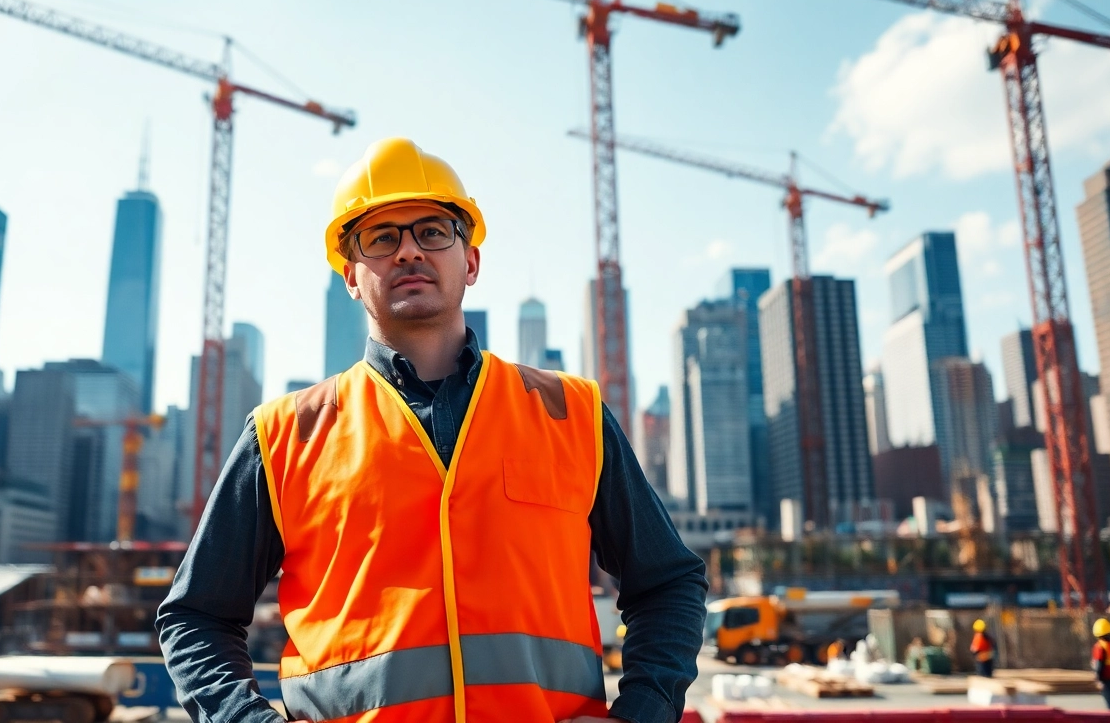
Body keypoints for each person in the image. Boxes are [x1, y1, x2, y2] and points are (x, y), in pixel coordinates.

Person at [156, 137, 709, 723]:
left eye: (433, 232)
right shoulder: (285, 435)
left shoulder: (569, 413)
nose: (408, 251)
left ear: (470, 262)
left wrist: (642, 712)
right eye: (381, 238)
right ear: (350, 275)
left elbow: (668, 583)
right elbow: (196, 617)